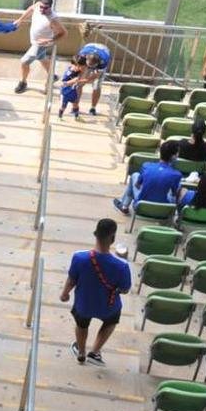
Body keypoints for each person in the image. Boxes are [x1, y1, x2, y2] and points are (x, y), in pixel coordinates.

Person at [61, 218, 131, 366]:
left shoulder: (79, 257)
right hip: (108, 307)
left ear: (95, 234)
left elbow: (71, 279)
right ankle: (95, 352)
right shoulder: (122, 266)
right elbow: (125, 289)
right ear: (112, 238)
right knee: (111, 322)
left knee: (81, 325)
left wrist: (65, 293)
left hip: (83, 304)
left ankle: (81, 352)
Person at [113, 139, 183, 214]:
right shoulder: (177, 174)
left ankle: (124, 206)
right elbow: (174, 194)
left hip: (141, 207)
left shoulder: (146, 166)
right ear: (174, 156)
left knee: (135, 175)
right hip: (163, 210)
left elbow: (137, 185)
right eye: (177, 153)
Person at [13, 0, 65, 94]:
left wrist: (49, 40)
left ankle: (23, 82)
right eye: (41, 7)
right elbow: (30, 9)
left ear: (50, 7)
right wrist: (20, 20)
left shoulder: (53, 19)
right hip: (34, 41)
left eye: (45, 8)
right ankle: (53, 76)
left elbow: (63, 33)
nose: (42, 9)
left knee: (24, 62)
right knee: (42, 59)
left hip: (40, 45)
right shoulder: (37, 5)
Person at [75, 42, 112, 114]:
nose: (90, 68)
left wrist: (85, 80)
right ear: (86, 59)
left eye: (92, 66)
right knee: (78, 85)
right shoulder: (82, 55)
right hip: (89, 47)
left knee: (96, 86)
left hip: (104, 51)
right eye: (88, 65)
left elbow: (95, 77)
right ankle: (75, 106)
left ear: (97, 63)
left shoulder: (103, 61)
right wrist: (80, 80)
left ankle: (93, 108)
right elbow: (78, 69)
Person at [57, 54, 86, 120]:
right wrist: (72, 81)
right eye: (77, 66)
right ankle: (59, 116)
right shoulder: (68, 73)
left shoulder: (78, 71)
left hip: (73, 91)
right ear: (72, 64)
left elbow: (81, 74)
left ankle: (77, 116)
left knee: (76, 104)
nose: (79, 68)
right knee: (63, 106)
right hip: (65, 92)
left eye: (80, 67)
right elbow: (62, 84)